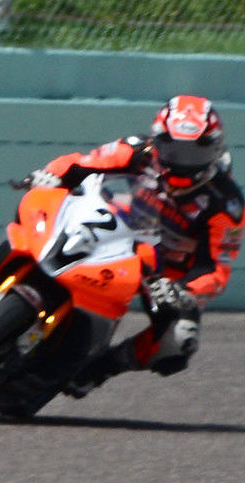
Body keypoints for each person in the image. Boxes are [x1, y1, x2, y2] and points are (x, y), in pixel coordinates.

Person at [26, 95, 242, 396]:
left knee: (179, 342)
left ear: (214, 150)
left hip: (165, 274)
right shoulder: (136, 149)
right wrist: (51, 175)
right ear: (157, 140)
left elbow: (215, 270)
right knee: (41, 211)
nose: (181, 160)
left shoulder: (227, 204)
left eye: (193, 152)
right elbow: (79, 164)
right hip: (118, 231)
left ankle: (101, 367)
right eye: (173, 148)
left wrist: (184, 291)